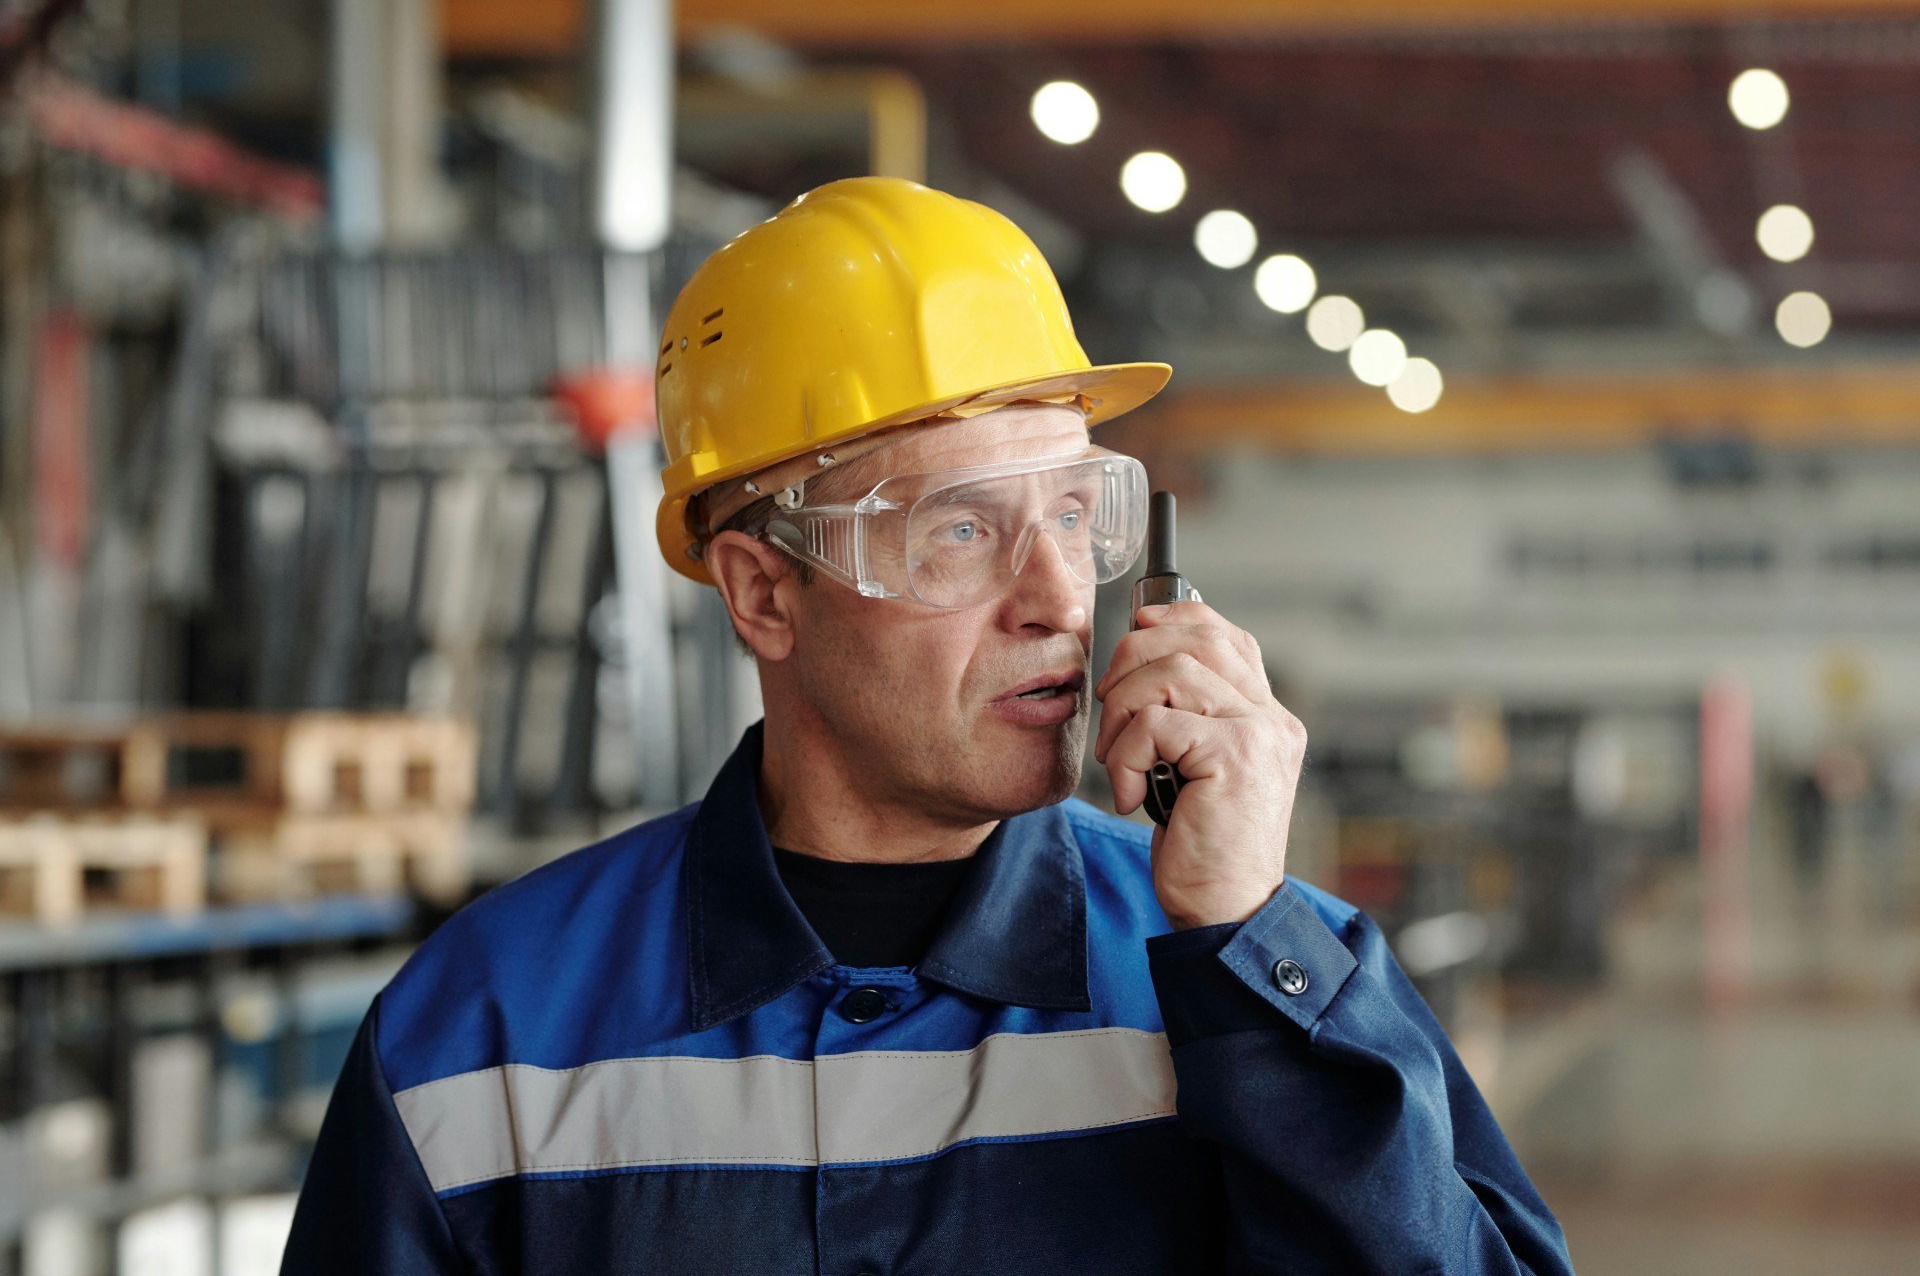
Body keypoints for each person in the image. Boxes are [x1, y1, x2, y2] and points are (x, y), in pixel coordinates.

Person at [283, 178, 1572, 1275]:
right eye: (960, 527)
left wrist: (1252, 957)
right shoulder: (484, 1038)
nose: (1061, 599)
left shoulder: (1261, 979)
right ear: (763, 593)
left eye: (1073, 516)